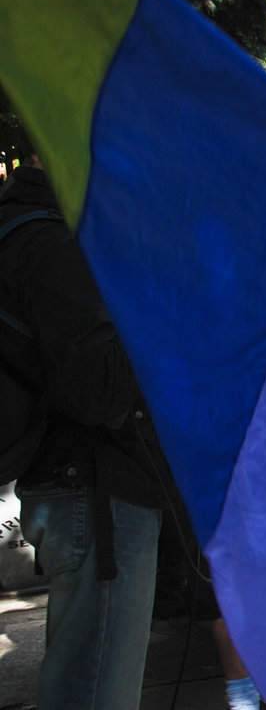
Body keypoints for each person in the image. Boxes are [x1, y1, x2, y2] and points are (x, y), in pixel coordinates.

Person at [1, 133, 169, 710]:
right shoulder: (51, 241)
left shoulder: (34, 225)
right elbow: (102, 388)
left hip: (83, 490)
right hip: (93, 494)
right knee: (96, 690)